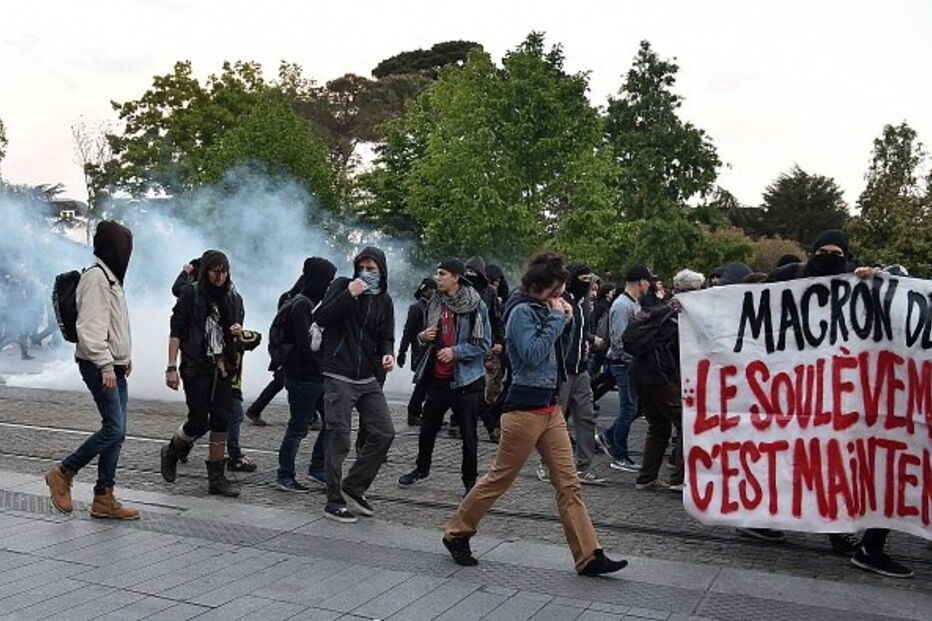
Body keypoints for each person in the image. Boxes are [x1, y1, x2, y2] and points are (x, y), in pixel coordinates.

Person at [442, 253, 627, 576]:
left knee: (569, 484)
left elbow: (559, 353)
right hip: (524, 410)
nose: (560, 295)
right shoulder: (521, 312)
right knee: (499, 478)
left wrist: (566, 322)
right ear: (542, 287)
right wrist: (558, 320)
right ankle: (457, 532)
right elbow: (529, 356)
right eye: (556, 289)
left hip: (550, 408)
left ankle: (589, 555)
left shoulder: (545, 308)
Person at [767, 230, 913, 578]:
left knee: (835, 461)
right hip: (794, 389)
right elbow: (742, 301)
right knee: (795, 456)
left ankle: (834, 527)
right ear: (811, 252)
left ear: (847, 257)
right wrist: (694, 304)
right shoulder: (790, 277)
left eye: (837, 253)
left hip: (842, 393)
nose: (829, 257)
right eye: (823, 251)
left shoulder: (856, 279)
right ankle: (765, 517)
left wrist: (870, 277)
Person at [45, 220, 138, 519]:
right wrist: (106, 363)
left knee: (118, 432)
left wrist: (123, 356)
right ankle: (63, 471)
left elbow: (114, 324)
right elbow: (90, 328)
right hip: (100, 365)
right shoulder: (97, 278)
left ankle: (103, 497)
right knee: (114, 428)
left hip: (114, 364)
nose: (127, 254)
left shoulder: (110, 278)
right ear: (113, 248)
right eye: (124, 247)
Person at [314, 247, 396, 523]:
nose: (367, 273)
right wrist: (350, 294)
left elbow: (386, 335)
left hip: (368, 377)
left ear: (382, 271)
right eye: (362, 267)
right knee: (339, 438)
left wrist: (387, 353)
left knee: (384, 432)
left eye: (372, 269)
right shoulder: (341, 286)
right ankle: (333, 500)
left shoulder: (384, 300)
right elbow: (322, 316)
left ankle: (355, 485)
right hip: (338, 373)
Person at [398, 259, 491, 495]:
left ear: (456, 277)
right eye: (437, 273)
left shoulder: (475, 305)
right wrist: (422, 337)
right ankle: (421, 468)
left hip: (466, 381)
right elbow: (424, 337)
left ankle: (469, 481)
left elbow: (484, 345)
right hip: (438, 378)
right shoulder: (435, 302)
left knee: (468, 435)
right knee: (427, 428)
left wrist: (456, 352)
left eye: (442, 273)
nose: (437, 277)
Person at [161, 250, 241, 497]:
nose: (220, 276)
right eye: (215, 271)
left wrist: (236, 332)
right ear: (206, 270)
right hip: (196, 366)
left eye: (224, 271)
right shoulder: (190, 293)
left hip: (222, 367)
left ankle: (216, 478)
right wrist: (171, 367)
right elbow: (176, 331)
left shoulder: (229, 297)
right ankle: (173, 450)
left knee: (221, 420)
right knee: (198, 421)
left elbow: (230, 331)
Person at [625, 269, 704, 493]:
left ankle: (647, 478)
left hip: (641, 374)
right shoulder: (676, 315)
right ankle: (679, 479)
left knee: (658, 426)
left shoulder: (659, 309)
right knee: (686, 423)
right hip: (661, 377)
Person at [536, 261, 605, 485]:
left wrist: (589, 340)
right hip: (563, 369)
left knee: (585, 417)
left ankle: (584, 466)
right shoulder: (561, 302)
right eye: (583, 279)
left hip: (581, 369)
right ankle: (546, 464)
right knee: (556, 419)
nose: (586, 284)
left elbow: (581, 332)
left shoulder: (585, 304)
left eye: (589, 280)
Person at [275, 257, 337, 492]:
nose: (330, 285)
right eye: (328, 280)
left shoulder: (314, 302)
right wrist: (323, 365)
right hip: (302, 377)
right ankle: (285, 474)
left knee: (332, 422)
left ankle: (317, 467)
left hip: (317, 376)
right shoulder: (302, 304)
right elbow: (304, 344)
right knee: (298, 427)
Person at [595, 264, 657, 472]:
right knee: (629, 408)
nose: (650, 284)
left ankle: (608, 436)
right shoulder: (622, 305)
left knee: (636, 407)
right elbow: (621, 340)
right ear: (640, 281)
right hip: (623, 364)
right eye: (648, 280)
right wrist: (633, 357)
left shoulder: (632, 303)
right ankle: (619, 454)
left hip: (629, 363)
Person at [464, 256, 505, 442]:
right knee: (469, 388)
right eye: (467, 271)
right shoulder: (460, 291)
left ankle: (486, 422)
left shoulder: (490, 293)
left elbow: (496, 319)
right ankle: (489, 425)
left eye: (473, 272)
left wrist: (499, 340)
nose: (469, 275)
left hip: (483, 345)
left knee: (480, 387)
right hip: (462, 346)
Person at [397, 278, 437, 426]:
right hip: (420, 353)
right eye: (429, 290)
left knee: (429, 385)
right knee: (422, 385)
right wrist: (402, 352)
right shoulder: (416, 308)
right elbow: (408, 332)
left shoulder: (435, 308)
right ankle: (413, 413)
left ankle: (425, 414)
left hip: (431, 351)